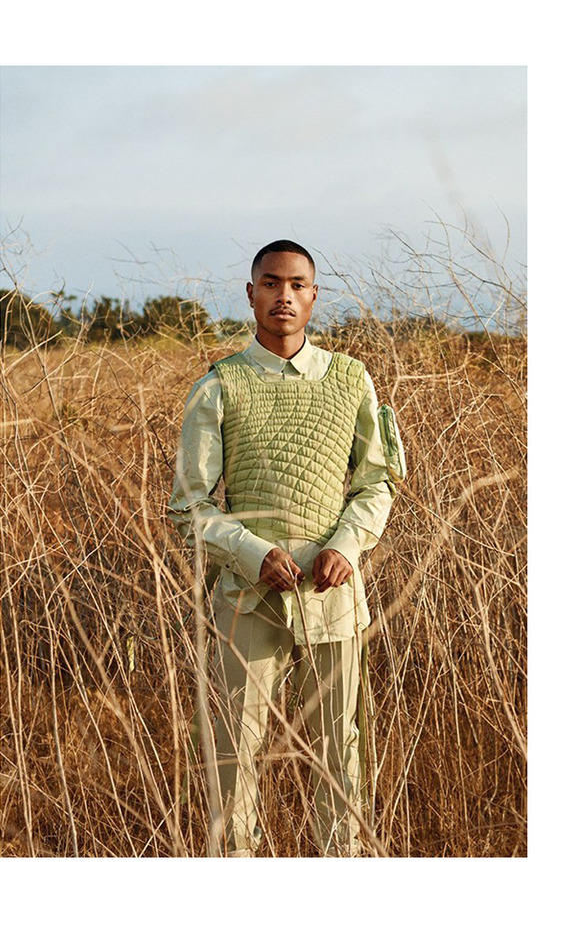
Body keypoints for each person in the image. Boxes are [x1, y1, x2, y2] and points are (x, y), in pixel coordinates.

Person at [168, 239, 402, 857]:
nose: (284, 296)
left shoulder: (351, 379)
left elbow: (378, 482)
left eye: (297, 285)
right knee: (233, 748)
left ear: (314, 295)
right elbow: (188, 506)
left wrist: (347, 546)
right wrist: (249, 552)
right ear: (251, 294)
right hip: (247, 597)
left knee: (340, 748)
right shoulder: (218, 386)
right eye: (271, 284)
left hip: (335, 596)